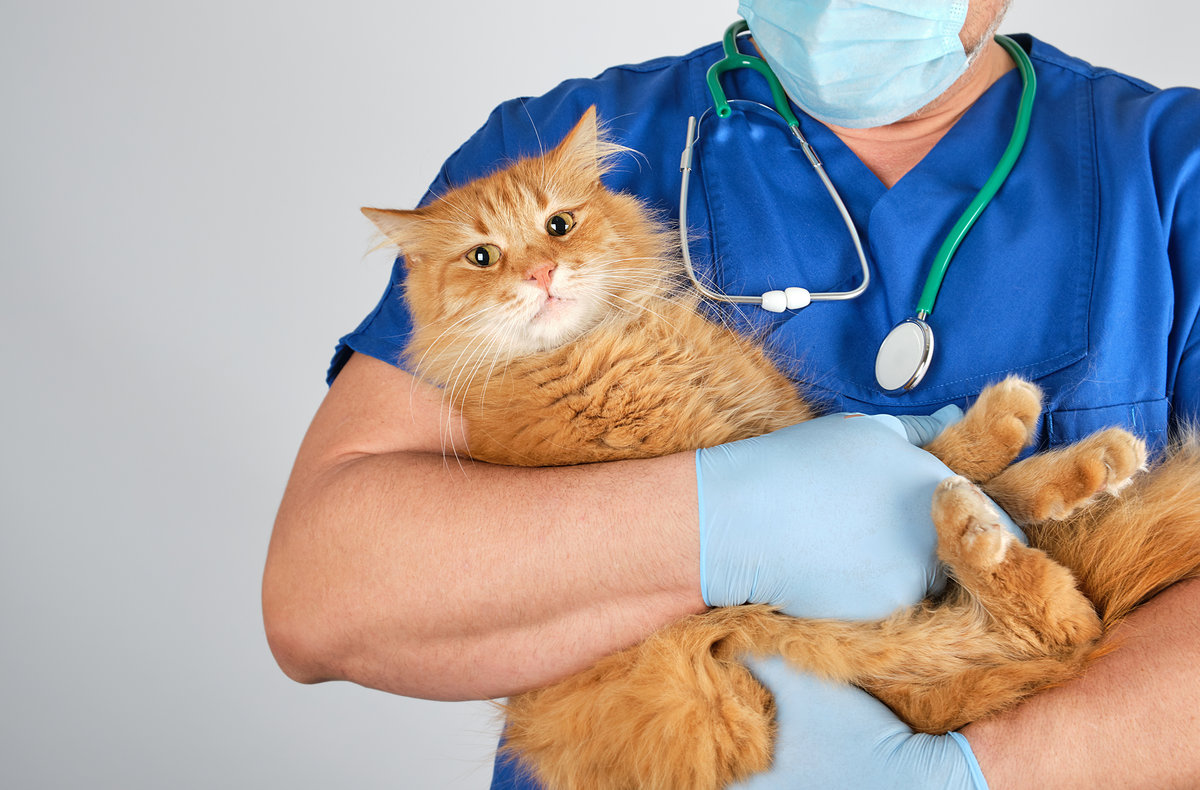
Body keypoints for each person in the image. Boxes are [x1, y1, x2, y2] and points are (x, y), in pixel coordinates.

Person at [262, 0, 1200, 787]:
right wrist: (727, 524)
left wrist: (972, 776)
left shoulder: (1170, 169)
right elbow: (322, 596)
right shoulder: (551, 151)